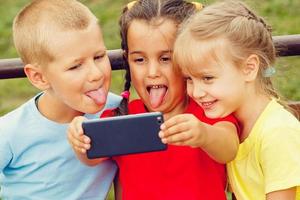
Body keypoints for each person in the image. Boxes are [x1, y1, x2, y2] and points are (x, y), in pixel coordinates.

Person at [67, 0, 240, 199]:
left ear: (189, 58)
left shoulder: (207, 110)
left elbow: (229, 147)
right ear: (127, 60)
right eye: (139, 60)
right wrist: (80, 140)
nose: (152, 72)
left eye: (165, 58)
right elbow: (91, 158)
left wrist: (204, 134)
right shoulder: (123, 119)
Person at [171, 1, 300, 200]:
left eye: (207, 78)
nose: (195, 92)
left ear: (249, 68)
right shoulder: (236, 124)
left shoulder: (277, 131)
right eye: (189, 79)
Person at [0, 0, 121, 199]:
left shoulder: (118, 113)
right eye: (75, 66)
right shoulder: (9, 132)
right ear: (39, 77)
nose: (96, 74)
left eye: (99, 56)